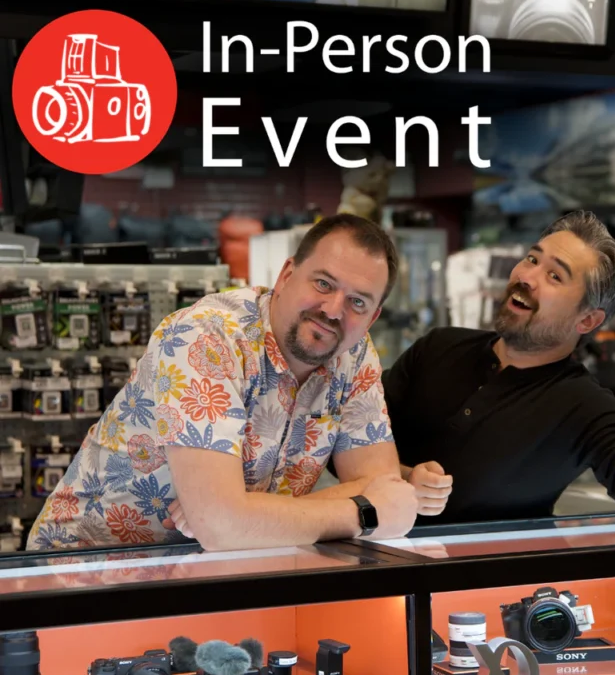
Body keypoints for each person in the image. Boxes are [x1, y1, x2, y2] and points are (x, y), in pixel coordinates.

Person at [27, 214, 418, 552]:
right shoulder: (206, 336)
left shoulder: (354, 353)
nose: (333, 310)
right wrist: (362, 509)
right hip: (85, 571)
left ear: (373, 317)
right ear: (286, 275)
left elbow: (387, 492)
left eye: (358, 303)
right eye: (323, 284)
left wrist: (241, 514)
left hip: (216, 569)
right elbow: (222, 526)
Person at [384, 210, 615, 528]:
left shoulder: (585, 409)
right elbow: (346, 439)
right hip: (366, 570)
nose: (527, 277)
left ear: (588, 320)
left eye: (555, 276)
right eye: (533, 259)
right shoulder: (438, 346)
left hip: (482, 596)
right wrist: (404, 479)